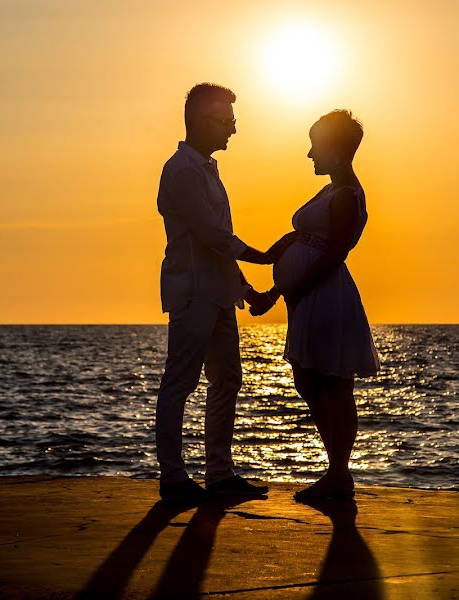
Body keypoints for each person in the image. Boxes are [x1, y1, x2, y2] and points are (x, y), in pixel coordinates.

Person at [155, 83, 275, 505]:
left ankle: (219, 474)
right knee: (180, 382)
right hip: (192, 294)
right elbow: (212, 236)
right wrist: (262, 257)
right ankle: (172, 477)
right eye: (226, 121)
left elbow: (217, 242)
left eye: (233, 121)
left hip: (219, 294)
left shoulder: (205, 169)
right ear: (199, 120)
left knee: (228, 380)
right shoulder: (182, 171)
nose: (233, 130)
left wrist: (243, 286)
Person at [255, 110, 380, 501]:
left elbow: (333, 254)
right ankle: (336, 472)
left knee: (333, 383)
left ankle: (339, 475)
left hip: (325, 296)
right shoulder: (330, 191)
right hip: (308, 296)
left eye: (316, 146)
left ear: (337, 151)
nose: (310, 154)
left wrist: (295, 290)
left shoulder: (346, 195)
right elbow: (299, 239)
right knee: (310, 380)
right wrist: (261, 267)